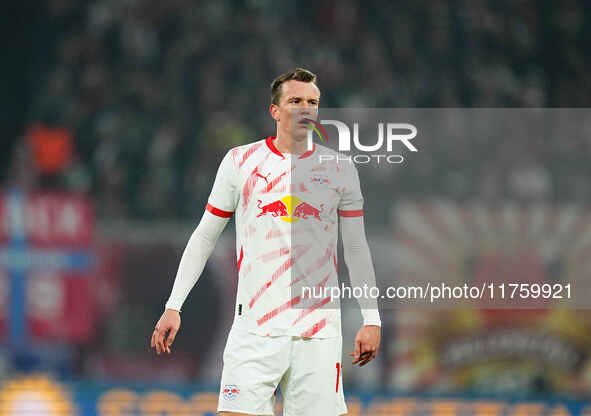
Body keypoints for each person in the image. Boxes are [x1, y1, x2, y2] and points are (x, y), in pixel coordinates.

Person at [150, 68, 381, 416]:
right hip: (254, 329)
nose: (305, 109)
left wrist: (371, 318)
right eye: (295, 101)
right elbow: (205, 235)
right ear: (275, 111)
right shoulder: (241, 161)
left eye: (312, 102)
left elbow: (357, 248)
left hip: (317, 333)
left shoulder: (340, 169)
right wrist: (174, 305)